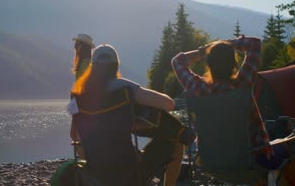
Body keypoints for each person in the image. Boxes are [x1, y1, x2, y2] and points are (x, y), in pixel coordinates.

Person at [70, 44, 182, 186]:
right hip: (128, 169)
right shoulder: (124, 88)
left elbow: (75, 134)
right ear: (116, 66)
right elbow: (169, 104)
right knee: (177, 139)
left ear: (93, 67)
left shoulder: (79, 95)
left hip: (95, 170)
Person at [171, 36, 276, 164]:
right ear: (234, 65)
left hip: (211, 161)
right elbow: (255, 44)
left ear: (208, 65)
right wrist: (226, 44)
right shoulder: (243, 83)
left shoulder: (198, 88)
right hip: (250, 159)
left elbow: (177, 61)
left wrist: (204, 50)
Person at [70, 33, 95, 159]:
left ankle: (88, 163)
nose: (74, 48)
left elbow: (84, 87)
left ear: (83, 47)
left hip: (83, 107)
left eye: (77, 45)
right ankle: (88, 162)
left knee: (77, 135)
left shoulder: (85, 64)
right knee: (78, 135)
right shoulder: (85, 63)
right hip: (81, 105)